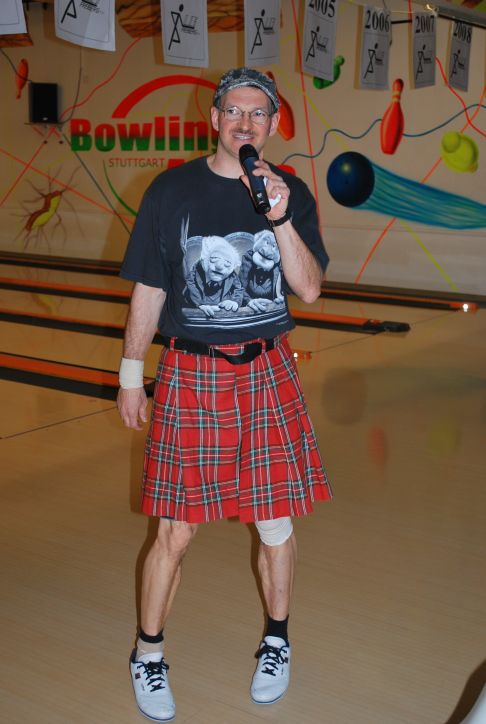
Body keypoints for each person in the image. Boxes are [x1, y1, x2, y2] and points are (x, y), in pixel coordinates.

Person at [117, 66, 332, 722]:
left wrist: (279, 217)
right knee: (175, 530)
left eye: (258, 113)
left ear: (272, 124)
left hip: (267, 371)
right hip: (193, 372)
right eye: (234, 111)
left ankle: (277, 641)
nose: (245, 123)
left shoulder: (289, 191)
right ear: (213, 119)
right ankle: (148, 652)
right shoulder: (171, 190)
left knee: (274, 522)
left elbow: (309, 288)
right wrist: (130, 374)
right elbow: (150, 287)